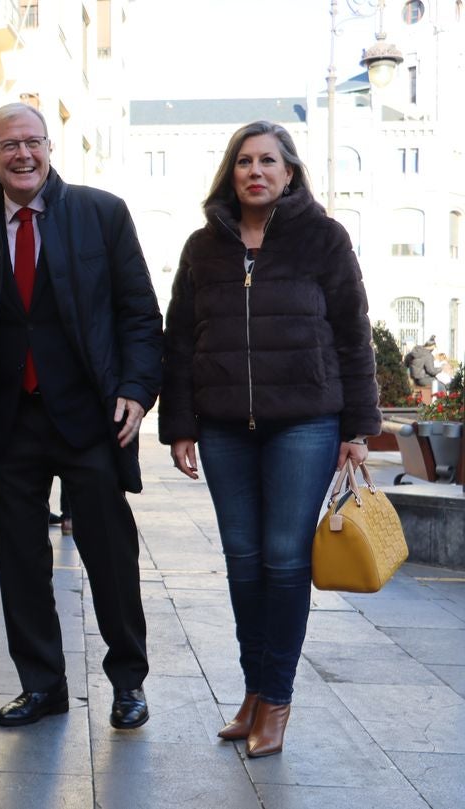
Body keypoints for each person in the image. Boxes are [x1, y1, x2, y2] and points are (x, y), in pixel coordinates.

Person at [160, 121, 380, 758]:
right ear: (231, 174)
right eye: (243, 162)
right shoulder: (204, 247)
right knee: (243, 562)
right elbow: (180, 340)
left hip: (305, 421)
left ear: (290, 173)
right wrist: (179, 423)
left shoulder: (323, 239)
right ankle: (254, 692)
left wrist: (357, 429)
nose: (255, 171)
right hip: (225, 423)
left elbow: (352, 334)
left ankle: (276, 700)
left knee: (284, 559)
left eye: (268, 161)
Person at [0, 102, 163, 731]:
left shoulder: (101, 213)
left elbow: (140, 315)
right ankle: (42, 685)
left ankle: (128, 682)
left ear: (49, 147)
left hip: (90, 418)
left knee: (110, 557)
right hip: (9, 422)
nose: (22, 154)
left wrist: (135, 389)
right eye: (7, 145)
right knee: (18, 562)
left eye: (32, 142)